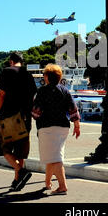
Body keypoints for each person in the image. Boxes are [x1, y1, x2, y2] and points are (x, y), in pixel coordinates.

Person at [0, 52, 37, 192]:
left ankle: (20, 171)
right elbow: (33, 96)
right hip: (25, 118)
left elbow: (1, 94)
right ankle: (17, 181)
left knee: (3, 148)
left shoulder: (7, 71)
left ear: (11, 62)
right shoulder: (28, 75)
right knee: (20, 152)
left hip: (9, 116)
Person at [32, 63, 81, 195]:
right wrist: (77, 126)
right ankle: (47, 183)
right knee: (52, 155)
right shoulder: (65, 90)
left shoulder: (42, 91)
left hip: (47, 127)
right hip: (62, 127)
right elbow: (73, 110)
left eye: (44, 75)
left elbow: (36, 114)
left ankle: (62, 186)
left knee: (55, 158)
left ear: (47, 76)